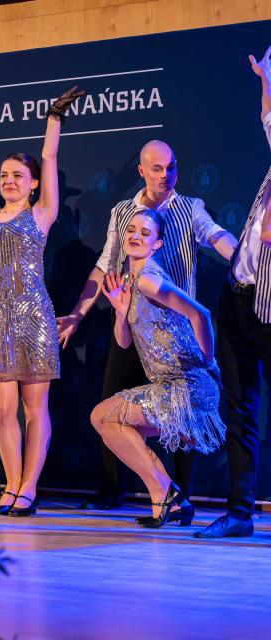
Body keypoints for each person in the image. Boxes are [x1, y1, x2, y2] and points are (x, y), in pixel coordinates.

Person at [57, 139, 237, 508]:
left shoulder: (189, 208)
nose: (166, 175)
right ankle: (119, 490)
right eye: (157, 168)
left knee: (182, 421)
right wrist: (78, 313)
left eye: (171, 167)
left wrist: (242, 257)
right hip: (135, 323)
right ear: (142, 171)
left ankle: (177, 496)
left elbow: (216, 235)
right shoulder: (123, 212)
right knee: (110, 407)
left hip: (175, 335)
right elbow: (105, 264)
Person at [0, 87, 84, 516]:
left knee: (35, 409)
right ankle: (11, 484)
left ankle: (29, 487)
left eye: (17, 175)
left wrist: (53, 120)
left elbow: (49, 157)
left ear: (33, 184)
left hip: (34, 320)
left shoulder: (41, 214)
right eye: (4, 176)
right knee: (2, 410)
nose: (9, 181)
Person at [90, 209, 225, 527]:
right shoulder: (130, 280)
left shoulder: (149, 279)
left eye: (145, 233)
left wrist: (209, 361)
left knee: (102, 417)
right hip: (169, 385)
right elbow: (124, 342)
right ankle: (172, 500)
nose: (135, 236)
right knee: (113, 427)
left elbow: (201, 315)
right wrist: (121, 311)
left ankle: (165, 493)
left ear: (157, 244)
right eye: (131, 230)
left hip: (186, 385)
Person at [195, 46, 271, 539]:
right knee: (239, 407)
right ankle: (240, 514)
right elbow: (269, 117)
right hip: (239, 298)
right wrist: (266, 78)